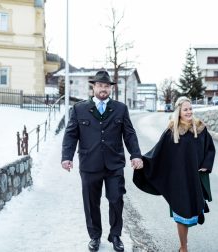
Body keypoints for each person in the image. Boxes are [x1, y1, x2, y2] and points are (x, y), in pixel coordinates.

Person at [61, 70, 143, 252]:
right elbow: (70, 135)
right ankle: (95, 236)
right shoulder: (79, 109)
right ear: (94, 87)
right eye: (100, 85)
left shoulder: (120, 109)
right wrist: (66, 157)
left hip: (114, 165)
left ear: (110, 89)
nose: (103, 89)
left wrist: (135, 154)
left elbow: (129, 134)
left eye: (106, 86)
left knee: (116, 200)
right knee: (91, 203)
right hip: (89, 165)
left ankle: (115, 235)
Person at [133, 96, 216, 252]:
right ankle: (183, 247)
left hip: (194, 178)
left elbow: (210, 148)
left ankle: (184, 244)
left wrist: (206, 165)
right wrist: (143, 162)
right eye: (185, 109)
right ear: (179, 112)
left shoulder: (200, 128)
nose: (189, 111)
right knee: (180, 212)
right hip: (178, 180)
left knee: (191, 211)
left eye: (190, 108)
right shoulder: (172, 131)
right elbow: (158, 152)